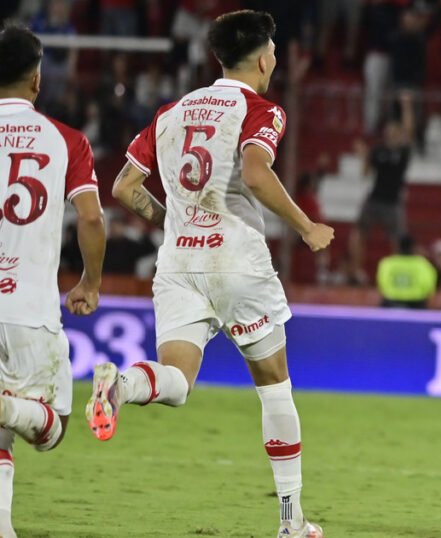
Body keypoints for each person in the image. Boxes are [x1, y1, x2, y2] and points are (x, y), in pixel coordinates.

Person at [86, 11, 332, 538]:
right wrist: (307, 226)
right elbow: (255, 172)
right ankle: (291, 523)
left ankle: (121, 385)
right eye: (273, 50)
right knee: (275, 389)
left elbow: (125, 186)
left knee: (176, 383)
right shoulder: (261, 108)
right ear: (265, 58)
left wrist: (171, 220)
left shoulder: (172, 112)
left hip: (178, 264)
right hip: (236, 262)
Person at [0, 25, 106, 537]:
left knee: (6, 427)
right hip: (29, 310)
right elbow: (89, 218)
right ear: (38, 79)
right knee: (51, 426)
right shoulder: (66, 140)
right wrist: (90, 282)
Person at [347, 92, 415, 285]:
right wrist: (364, 157)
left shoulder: (402, 152)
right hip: (375, 198)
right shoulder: (378, 151)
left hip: (393, 202)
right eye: (389, 132)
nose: (392, 135)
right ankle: (355, 272)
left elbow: (409, 132)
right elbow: (366, 172)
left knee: (397, 240)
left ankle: (398, 276)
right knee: (359, 232)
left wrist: (406, 107)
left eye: (395, 132)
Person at [377, 235, 438, 309]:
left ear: (397, 247)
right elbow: (429, 287)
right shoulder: (423, 264)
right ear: (414, 247)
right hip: (416, 305)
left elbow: (382, 285)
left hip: (391, 304)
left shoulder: (387, 263)